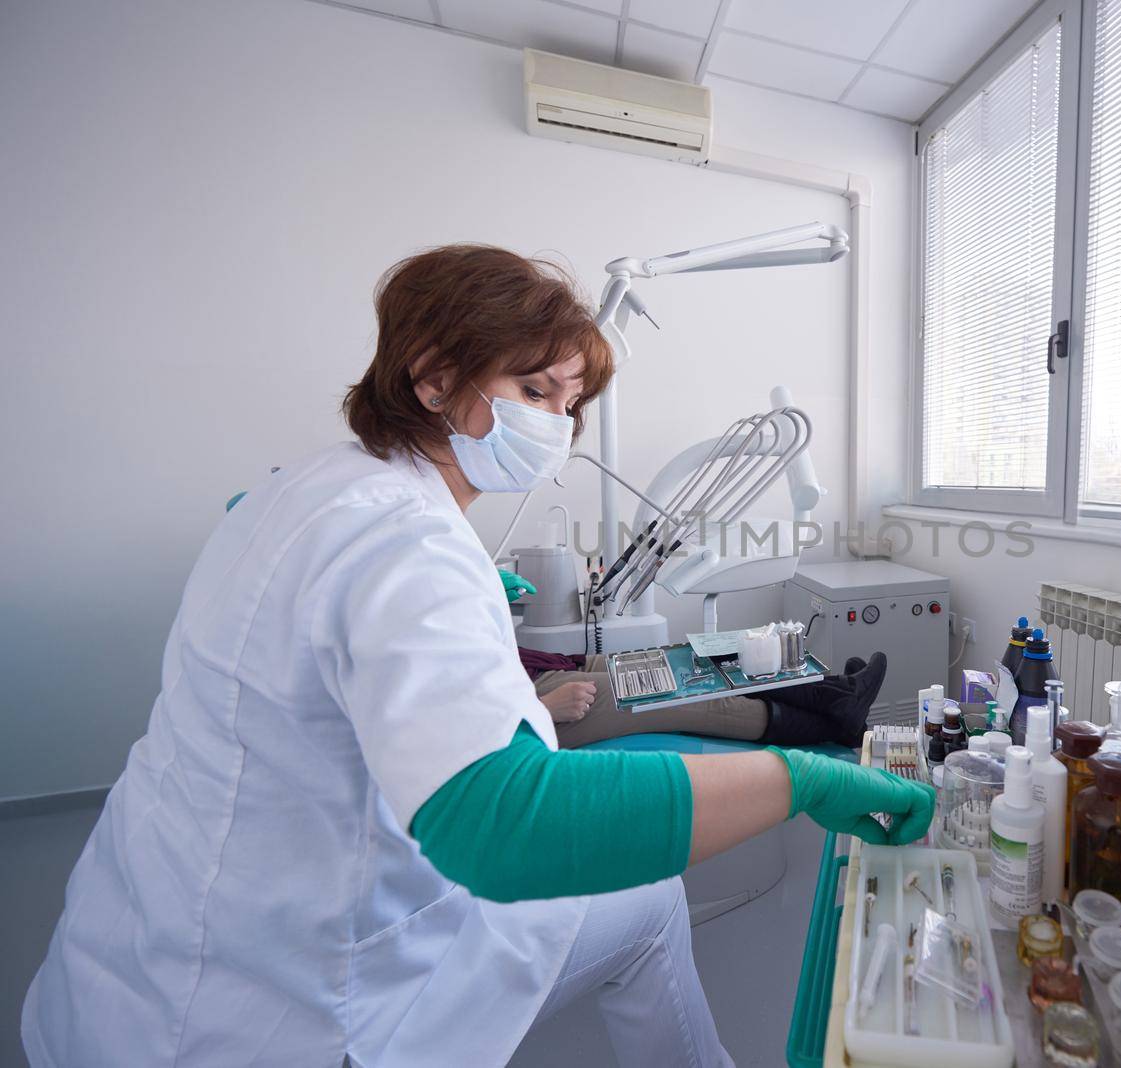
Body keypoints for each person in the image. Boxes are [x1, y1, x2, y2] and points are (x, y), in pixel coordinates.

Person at [21, 245, 934, 1067]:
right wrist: (802, 785)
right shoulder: (406, 541)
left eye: (571, 404)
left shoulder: (308, 488)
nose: (560, 424)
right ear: (432, 379)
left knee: (646, 905)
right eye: (536, 391)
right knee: (646, 890)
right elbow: (505, 823)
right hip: (275, 1010)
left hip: (135, 948)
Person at [530, 646, 888, 749]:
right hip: (532, 703)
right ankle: (837, 719)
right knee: (691, 695)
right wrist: (539, 709)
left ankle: (836, 694)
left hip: (547, 667)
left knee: (698, 658)